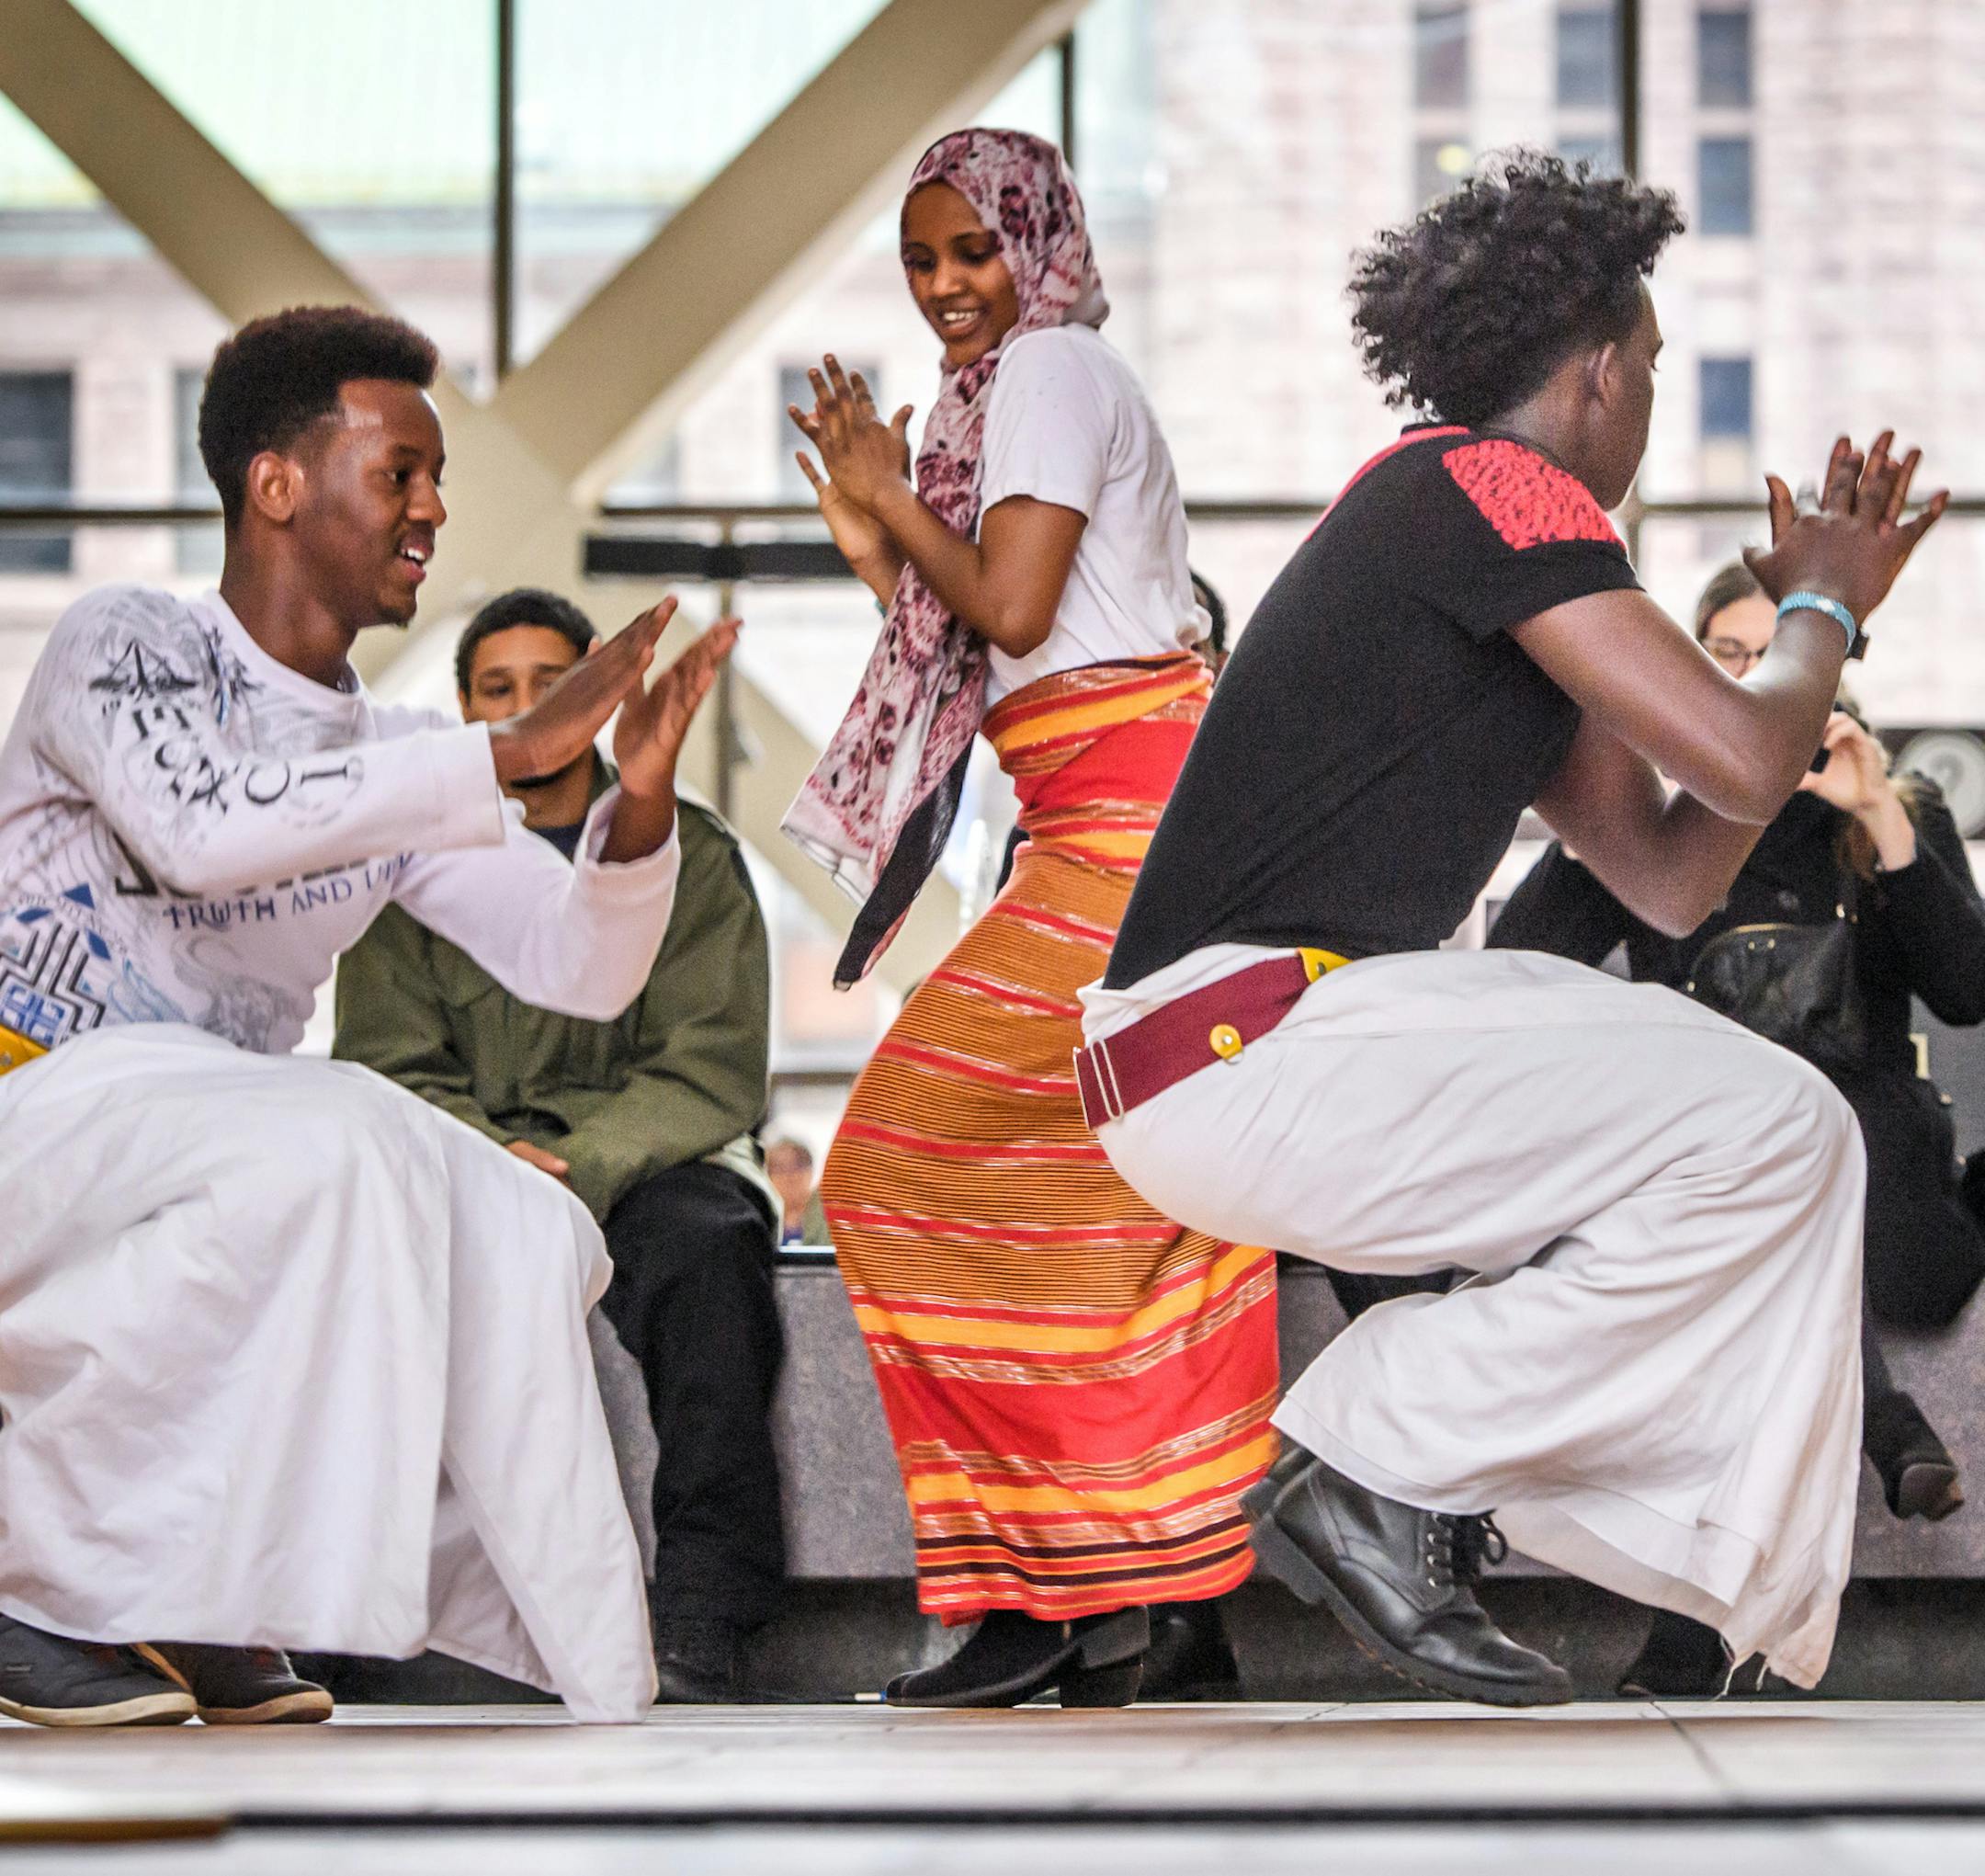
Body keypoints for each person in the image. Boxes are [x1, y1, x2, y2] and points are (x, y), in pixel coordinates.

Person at [1076, 152, 1947, 1705]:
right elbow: (1749, 752)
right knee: (1776, 1124)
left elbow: (1675, 869)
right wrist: (1818, 611)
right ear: (1606, 369)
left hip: (1245, 1055)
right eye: (1659, 369)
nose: (1654, 401)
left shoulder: (1466, 540)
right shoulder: (1489, 485)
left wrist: (1809, 643)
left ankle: (1695, 1596)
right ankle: (1384, 1460)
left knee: (1777, 1146)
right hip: (1252, 1031)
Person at [0, 306, 736, 1727]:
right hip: (33, 1111)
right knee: (340, 1137)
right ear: (277, 484)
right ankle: (37, 1581)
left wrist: (634, 807)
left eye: (435, 477)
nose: (434, 508)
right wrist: (509, 751)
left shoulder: (394, 762)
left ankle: (220, 1596)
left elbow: (580, 962)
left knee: (520, 1222)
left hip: (191, 1141)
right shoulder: (129, 644)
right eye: (399, 471)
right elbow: (204, 825)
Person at [782, 129, 1278, 1708]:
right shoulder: (1005, 400)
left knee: (887, 1166)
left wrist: (882, 494)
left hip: (1131, 828)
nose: (947, 289)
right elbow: (1000, 635)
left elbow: (1004, 608)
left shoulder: (1055, 370)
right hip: (1098, 819)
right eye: (923, 261)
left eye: (973, 252)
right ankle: (1107, 1598)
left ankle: (1050, 1592)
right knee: (1102, 1208)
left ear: (1039, 244)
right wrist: (880, 536)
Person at [1489, 560, 1985, 1695]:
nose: (1758, 679)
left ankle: (1703, 1626)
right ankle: (1877, 1444)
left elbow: (1968, 991)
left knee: (1771, 1218)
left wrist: (1878, 818)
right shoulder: (1665, 826)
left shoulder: (1895, 809)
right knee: (1743, 1219)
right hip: (1716, 1166)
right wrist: (1609, 818)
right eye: (1726, 656)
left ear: (1837, 680)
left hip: (1879, 1171)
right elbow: (1517, 970)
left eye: (1782, 656)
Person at [333, 586, 785, 1703]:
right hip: (468, 1162)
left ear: (604, 693)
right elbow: (388, 1060)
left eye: (552, 684)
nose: (528, 708)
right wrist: (490, 1157)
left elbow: (708, 1065)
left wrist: (574, 1169)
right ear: (465, 710)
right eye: (499, 690)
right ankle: (349, 1621)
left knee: (711, 1253)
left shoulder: (694, 859)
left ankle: (706, 1611)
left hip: (650, 1168)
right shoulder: (411, 869)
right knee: (347, 1254)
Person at [765, 1136, 829, 1246]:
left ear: (811, 1170)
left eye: (799, 1166)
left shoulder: (827, 1218)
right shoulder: (763, 1219)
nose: (790, 1177)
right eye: (780, 1169)